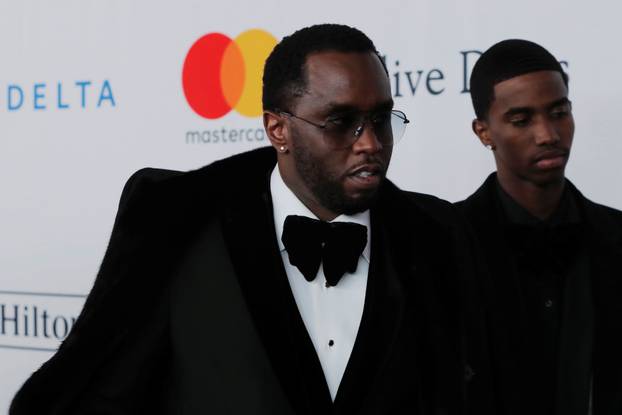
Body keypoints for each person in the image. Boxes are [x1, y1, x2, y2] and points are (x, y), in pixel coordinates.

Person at [12, 24, 486, 414]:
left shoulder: (435, 235)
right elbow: (100, 391)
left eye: (382, 119)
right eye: (341, 122)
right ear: (278, 129)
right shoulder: (179, 225)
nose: (371, 143)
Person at [457, 39, 622, 415]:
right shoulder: (442, 243)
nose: (548, 134)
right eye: (522, 120)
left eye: (559, 112)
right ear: (483, 132)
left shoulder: (615, 237)